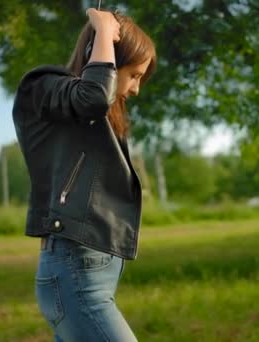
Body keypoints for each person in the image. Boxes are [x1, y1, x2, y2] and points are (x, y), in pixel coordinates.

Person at [11, 7, 156, 342]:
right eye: (133, 75)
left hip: (89, 278)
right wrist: (104, 29)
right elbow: (91, 97)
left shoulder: (90, 114)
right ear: (99, 54)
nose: (135, 89)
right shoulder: (43, 88)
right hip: (76, 278)